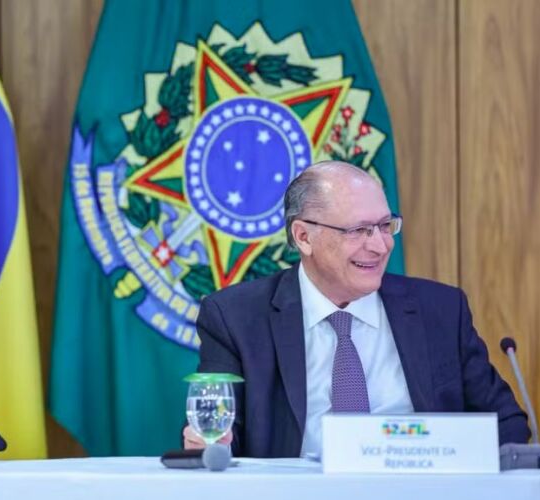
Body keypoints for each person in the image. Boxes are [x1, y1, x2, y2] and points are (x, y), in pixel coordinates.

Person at [184, 160, 529, 458]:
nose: (380, 245)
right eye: (359, 230)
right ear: (303, 237)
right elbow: (220, 436)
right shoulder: (236, 318)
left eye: (384, 225)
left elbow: (506, 425)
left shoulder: (440, 310)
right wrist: (212, 444)